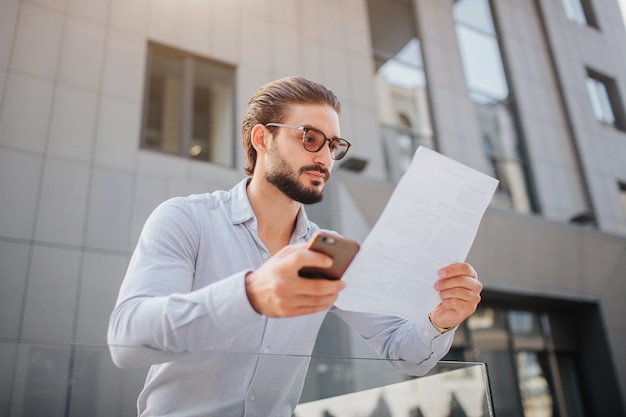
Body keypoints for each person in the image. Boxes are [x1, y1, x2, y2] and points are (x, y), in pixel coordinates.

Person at [107, 76, 483, 417]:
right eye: (309, 137)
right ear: (261, 139)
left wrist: (441, 319)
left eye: (333, 145)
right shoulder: (186, 219)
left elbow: (405, 354)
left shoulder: (329, 255)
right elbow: (127, 342)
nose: (324, 157)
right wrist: (251, 294)